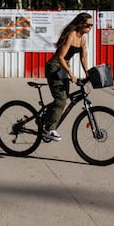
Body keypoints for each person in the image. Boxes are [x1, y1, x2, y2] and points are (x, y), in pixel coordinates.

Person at [44, 12, 93, 141]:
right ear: (81, 24)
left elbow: (83, 57)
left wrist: (87, 73)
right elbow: (60, 57)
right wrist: (71, 74)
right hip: (55, 67)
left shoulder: (82, 38)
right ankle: (49, 129)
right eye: (89, 25)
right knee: (61, 100)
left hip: (63, 67)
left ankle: (45, 119)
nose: (90, 28)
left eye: (92, 25)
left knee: (63, 99)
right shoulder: (71, 35)